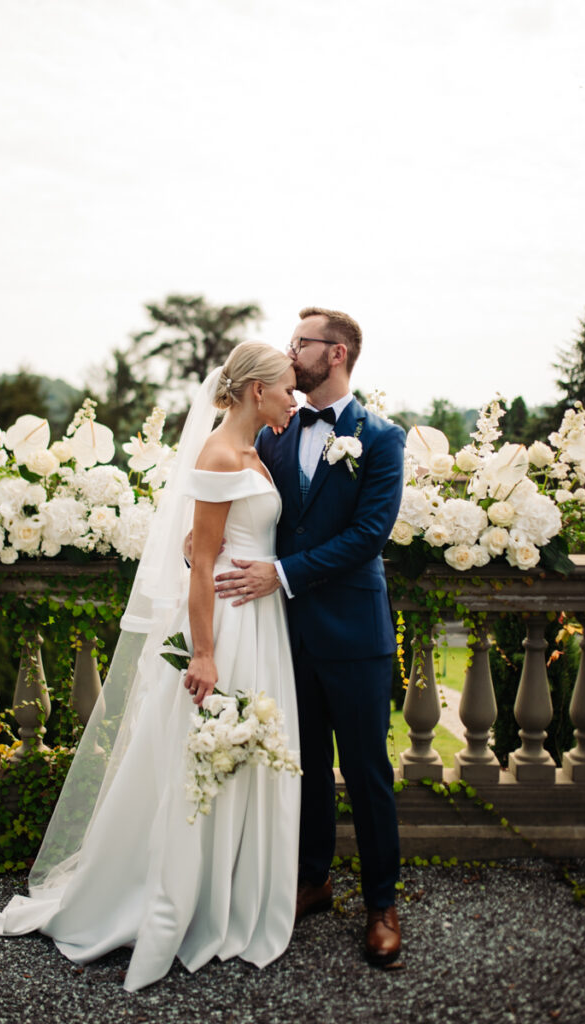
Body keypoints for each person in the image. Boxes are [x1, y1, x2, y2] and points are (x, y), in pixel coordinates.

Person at [0, 343, 302, 992]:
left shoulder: (254, 453)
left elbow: (207, 541)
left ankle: (229, 893)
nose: (295, 400)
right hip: (229, 627)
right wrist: (207, 653)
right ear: (255, 392)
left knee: (239, 756)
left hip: (261, 620)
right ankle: (181, 900)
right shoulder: (218, 454)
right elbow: (204, 565)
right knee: (203, 756)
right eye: (288, 389)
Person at [215, 307, 405, 966]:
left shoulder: (380, 437)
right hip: (280, 635)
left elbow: (367, 537)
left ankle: (382, 901)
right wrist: (198, 537)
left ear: (337, 354)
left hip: (354, 632)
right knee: (303, 770)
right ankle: (313, 878)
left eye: (303, 343)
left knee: (368, 771)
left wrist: (283, 574)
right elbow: (232, 491)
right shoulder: (274, 428)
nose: (290, 352)